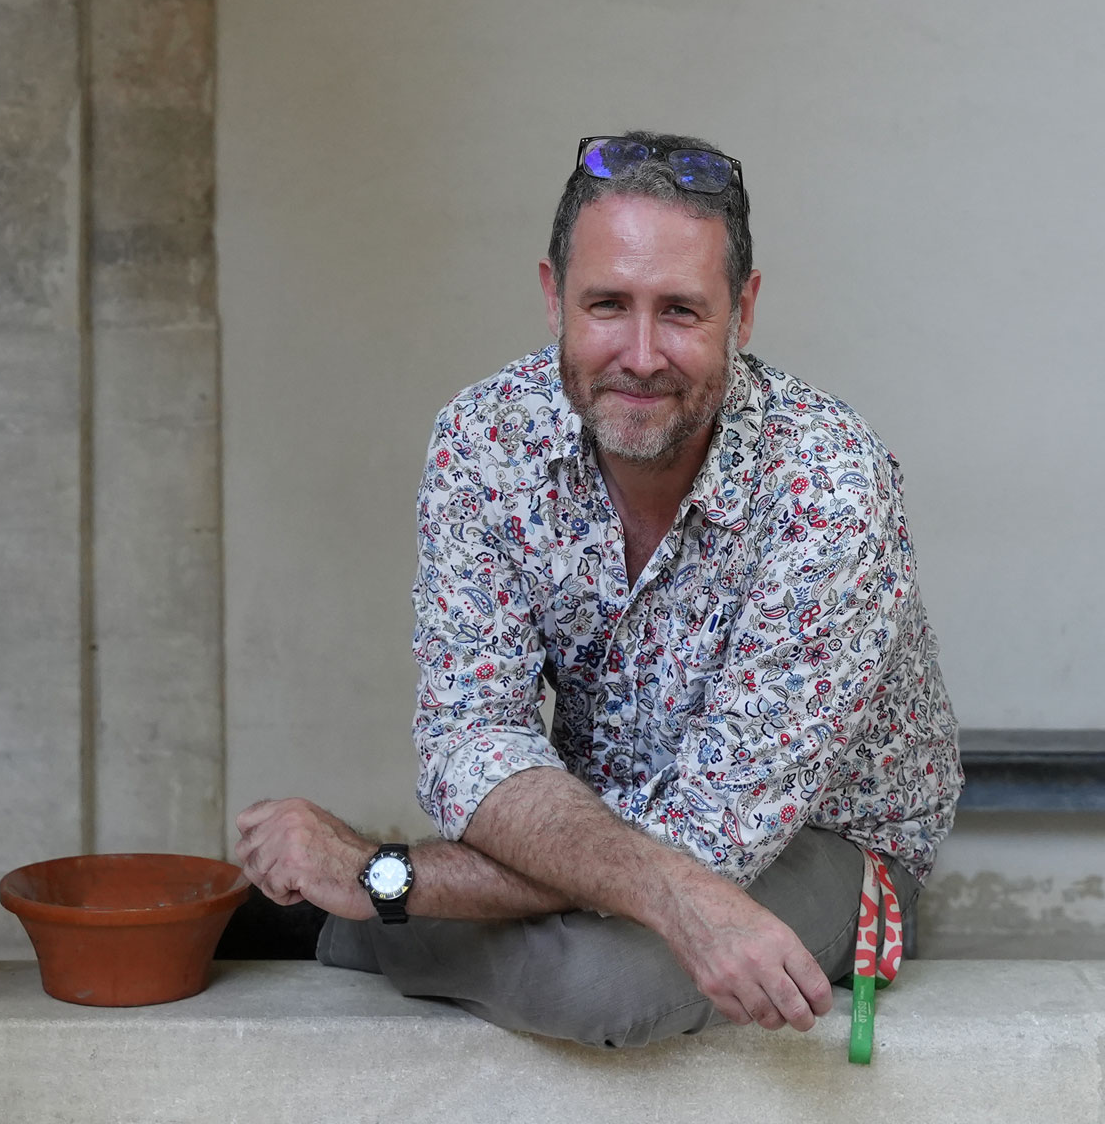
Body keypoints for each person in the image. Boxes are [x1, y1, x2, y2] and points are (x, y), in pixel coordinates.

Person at [225, 134, 963, 1048]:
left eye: (683, 311)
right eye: (608, 304)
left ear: (744, 310)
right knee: (598, 924)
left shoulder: (830, 485)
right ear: (552, 297)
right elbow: (470, 736)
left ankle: (357, 922)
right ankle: (385, 910)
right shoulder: (485, 438)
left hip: (819, 845)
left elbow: (711, 835)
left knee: (599, 985)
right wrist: (631, 876)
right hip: (588, 820)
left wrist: (388, 877)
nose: (641, 354)